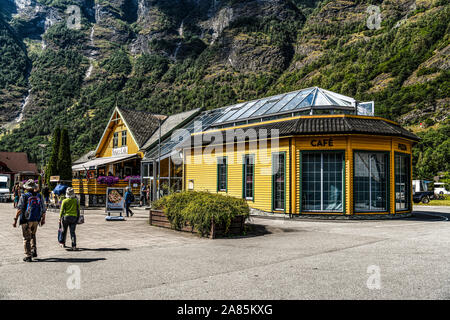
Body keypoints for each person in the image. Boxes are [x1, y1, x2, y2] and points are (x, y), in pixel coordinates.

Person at [12, 179, 46, 262]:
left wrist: (15, 220)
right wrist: (43, 219)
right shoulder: (39, 196)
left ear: (26, 188)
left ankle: (28, 256)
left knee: (26, 238)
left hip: (26, 220)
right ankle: (34, 251)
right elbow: (44, 209)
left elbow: (19, 209)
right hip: (36, 219)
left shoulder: (24, 196)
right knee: (33, 235)